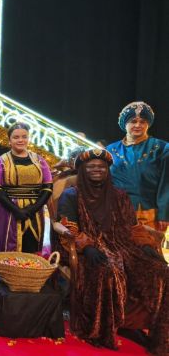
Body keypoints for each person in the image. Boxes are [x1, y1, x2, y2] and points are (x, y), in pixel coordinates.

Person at [55, 149, 168, 355]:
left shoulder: (119, 195)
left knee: (159, 269)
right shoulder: (71, 195)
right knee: (109, 270)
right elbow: (68, 227)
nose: (97, 170)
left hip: (122, 245)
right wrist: (86, 246)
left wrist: (144, 244)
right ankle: (108, 325)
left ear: (107, 170)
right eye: (92, 167)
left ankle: (145, 326)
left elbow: (133, 226)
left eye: (102, 167)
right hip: (89, 249)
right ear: (83, 170)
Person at [0, 122, 53, 253]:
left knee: (32, 244)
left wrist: (33, 209)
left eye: (24, 136)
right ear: (9, 140)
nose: (21, 140)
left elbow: (48, 186)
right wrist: (16, 210)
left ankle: (29, 271)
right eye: (16, 137)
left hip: (35, 210)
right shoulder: (1, 161)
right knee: (10, 243)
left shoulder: (39, 160)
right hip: (9, 210)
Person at [106, 101, 167, 231]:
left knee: (148, 250)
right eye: (133, 121)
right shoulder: (110, 150)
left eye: (143, 122)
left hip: (150, 214)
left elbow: (166, 184)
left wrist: (164, 214)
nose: (138, 125)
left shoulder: (162, 148)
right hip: (117, 212)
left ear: (148, 124)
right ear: (125, 124)